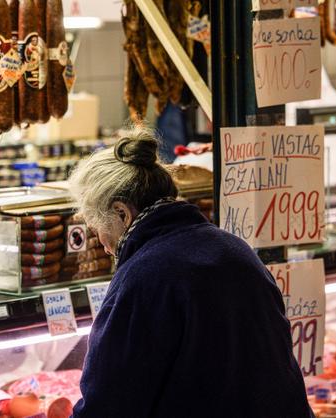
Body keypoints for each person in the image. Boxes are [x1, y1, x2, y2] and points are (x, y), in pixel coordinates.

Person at [67, 127, 314, 417]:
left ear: (122, 213)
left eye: (98, 228)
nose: (103, 243)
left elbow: (108, 403)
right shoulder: (235, 248)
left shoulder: (144, 276)